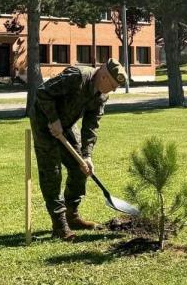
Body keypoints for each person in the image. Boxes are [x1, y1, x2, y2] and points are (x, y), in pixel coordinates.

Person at [30, 58, 128, 241]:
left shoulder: (101, 95)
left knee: (80, 167)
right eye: (113, 86)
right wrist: (53, 119)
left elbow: (91, 125)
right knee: (52, 173)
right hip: (44, 122)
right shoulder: (77, 77)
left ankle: (72, 216)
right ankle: (60, 226)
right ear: (104, 76)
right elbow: (43, 92)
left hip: (67, 125)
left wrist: (88, 155)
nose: (113, 90)